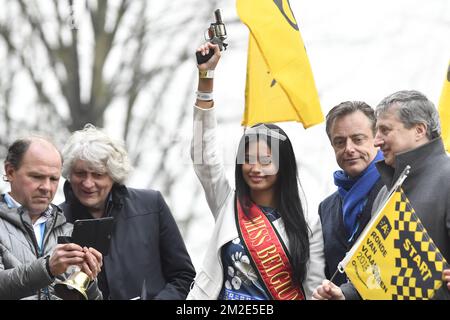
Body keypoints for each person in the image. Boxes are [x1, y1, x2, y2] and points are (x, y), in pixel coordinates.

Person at [188, 42, 325, 300]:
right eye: (248, 159)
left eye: (265, 160)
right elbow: (203, 155)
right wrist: (206, 77)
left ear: (283, 166)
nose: (255, 168)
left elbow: (313, 288)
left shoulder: (308, 224)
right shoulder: (227, 204)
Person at [313, 90, 450, 300]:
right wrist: (345, 295)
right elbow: (379, 272)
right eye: (339, 142)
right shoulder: (387, 191)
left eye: (385, 130)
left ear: (419, 130)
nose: (376, 141)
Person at [60, 124, 196, 300]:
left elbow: (183, 276)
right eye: (80, 173)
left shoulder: (152, 205)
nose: (87, 183)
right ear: (69, 174)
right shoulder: (56, 219)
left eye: (98, 174)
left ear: (113, 175)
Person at [0, 137, 103, 300]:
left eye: (54, 179)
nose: (46, 187)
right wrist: (47, 268)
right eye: (36, 176)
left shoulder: (69, 229)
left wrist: (87, 282)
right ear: (10, 172)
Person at [319, 101, 384, 286]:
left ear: (376, 138)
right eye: (340, 142)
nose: (349, 149)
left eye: (358, 139)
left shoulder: (398, 189)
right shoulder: (326, 208)